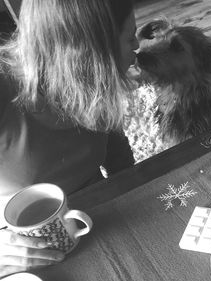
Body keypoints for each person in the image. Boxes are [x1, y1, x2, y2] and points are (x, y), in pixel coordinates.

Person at [0, 0, 139, 277]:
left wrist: (139, 193)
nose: (137, 48)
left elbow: (117, 154)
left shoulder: (94, 86)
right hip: (26, 253)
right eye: (129, 38)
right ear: (90, 53)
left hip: (98, 218)